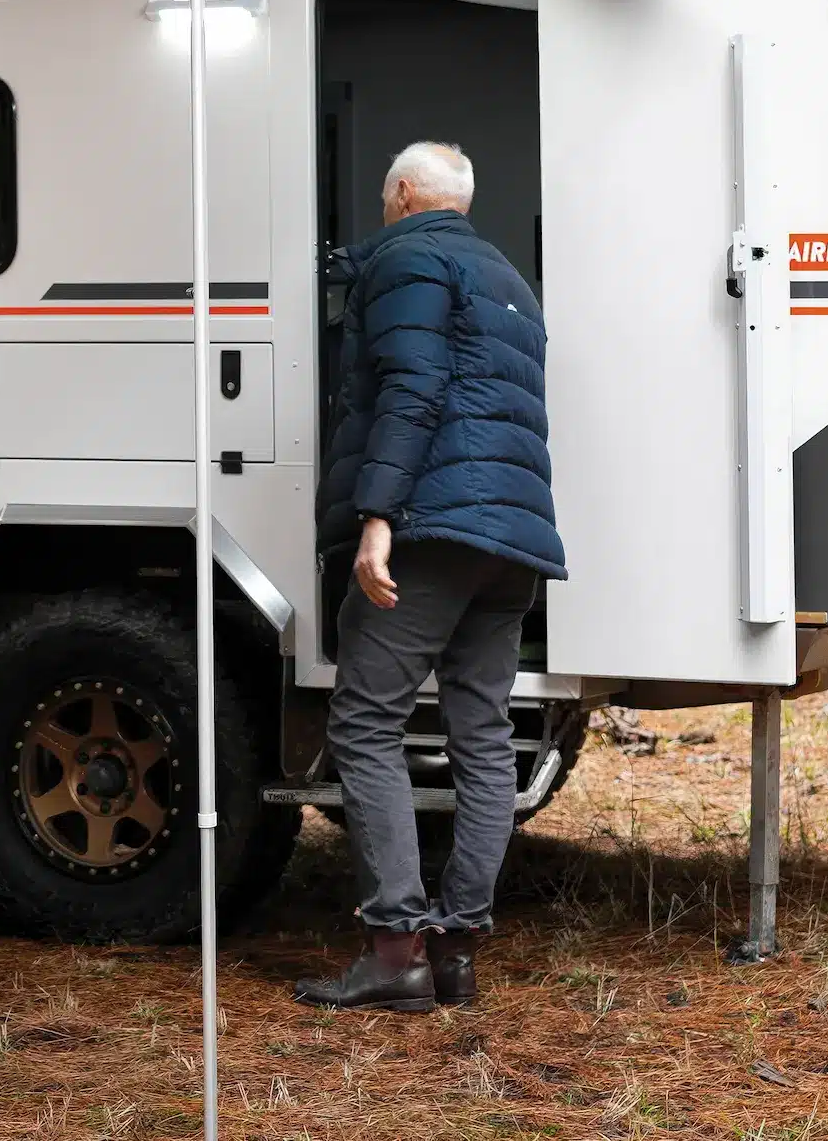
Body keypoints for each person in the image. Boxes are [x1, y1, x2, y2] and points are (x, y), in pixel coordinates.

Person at [295, 142, 565, 1013]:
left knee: (366, 721)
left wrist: (377, 517)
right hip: (512, 539)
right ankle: (455, 950)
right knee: (481, 735)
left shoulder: (409, 256)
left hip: (433, 528)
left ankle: (394, 949)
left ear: (403, 193)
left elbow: (413, 388)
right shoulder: (509, 281)